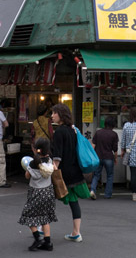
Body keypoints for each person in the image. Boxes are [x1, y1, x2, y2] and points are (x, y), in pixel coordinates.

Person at [51, 103, 89, 242]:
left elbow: (57, 156)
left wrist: (52, 170)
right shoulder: (73, 130)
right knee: (74, 202)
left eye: (54, 113)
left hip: (63, 173)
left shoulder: (59, 132)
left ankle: (41, 229)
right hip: (75, 171)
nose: (52, 115)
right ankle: (76, 232)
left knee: (47, 198)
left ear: (60, 115)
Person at [18, 137, 57, 251]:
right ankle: (48, 243)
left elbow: (27, 176)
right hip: (48, 192)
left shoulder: (33, 162)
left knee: (28, 216)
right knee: (45, 217)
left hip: (36, 192)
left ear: (36, 149)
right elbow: (54, 169)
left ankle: (38, 238)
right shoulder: (50, 160)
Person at [90, 116, 118, 200]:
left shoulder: (98, 132)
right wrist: (115, 158)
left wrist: (92, 157)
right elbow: (115, 149)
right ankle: (108, 194)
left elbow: (93, 145)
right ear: (113, 124)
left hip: (98, 157)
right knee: (110, 175)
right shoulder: (114, 134)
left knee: (96, 175)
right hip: (109, 157)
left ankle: (92, 190)